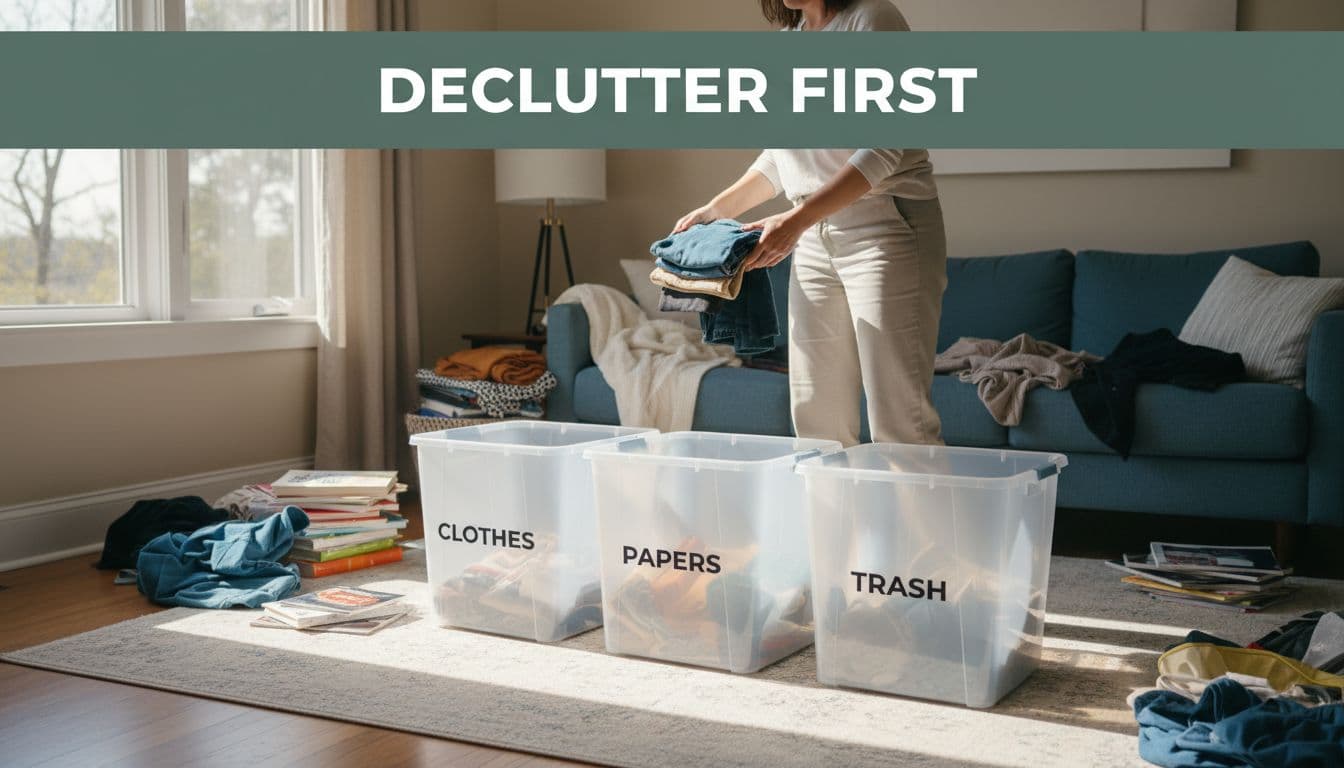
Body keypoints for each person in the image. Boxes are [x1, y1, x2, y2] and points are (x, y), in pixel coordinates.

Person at [673, 0, 947, 447]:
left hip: (885, 231)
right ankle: (838, 520)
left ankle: (920, 520)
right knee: (816, 417)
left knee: (901, 422)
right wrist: (716, 210)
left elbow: (881, 150)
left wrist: (795, 220)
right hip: (815, 239)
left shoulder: (873, 21)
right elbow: (781, 159)